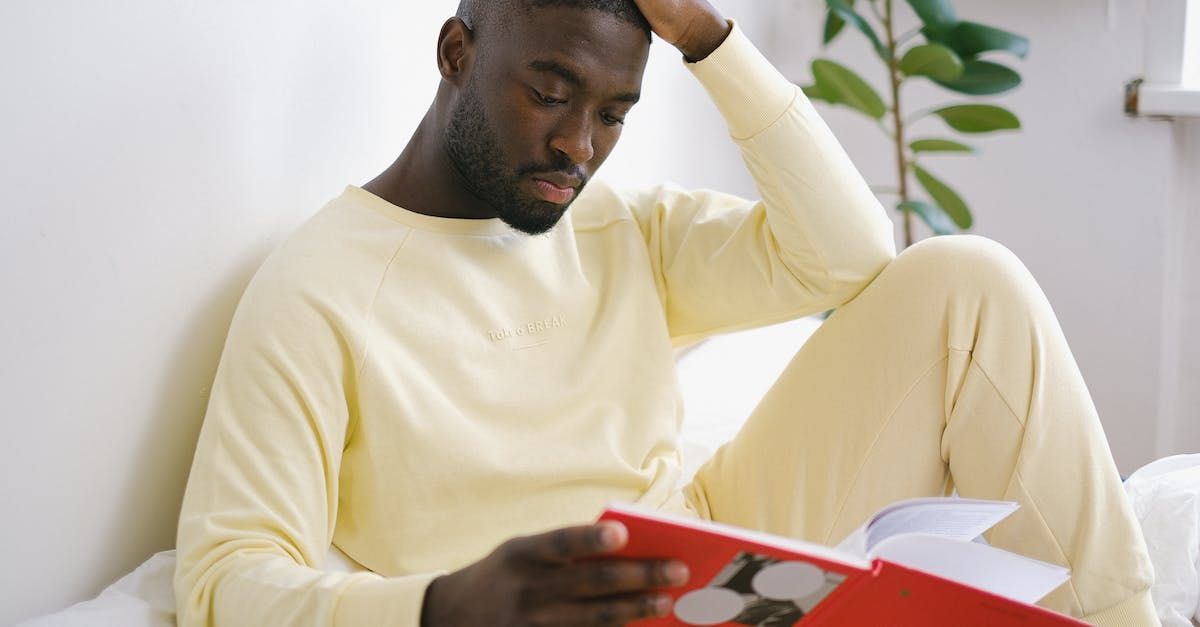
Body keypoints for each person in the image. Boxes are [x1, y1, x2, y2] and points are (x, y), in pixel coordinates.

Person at [173, 0, 1159, 625]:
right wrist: (446, 605)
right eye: (549, 91)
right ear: (457, 51)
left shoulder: (620, 225)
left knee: (967, 281)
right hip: (555, 611)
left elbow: (849, 257)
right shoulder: (319, 286)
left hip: (720, 558)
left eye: (612, 113)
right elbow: (223, 578)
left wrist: (710, 39)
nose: (576, 145)